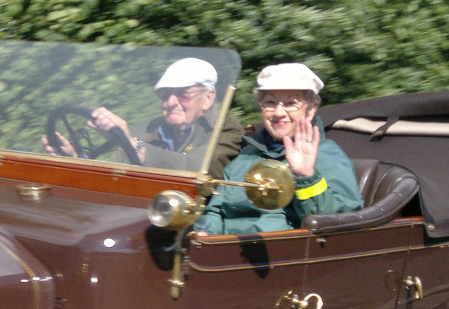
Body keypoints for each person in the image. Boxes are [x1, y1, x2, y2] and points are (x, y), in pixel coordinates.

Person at [195, 63, 363, 235]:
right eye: (270, 102)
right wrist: (205, 233)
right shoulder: (247, 155)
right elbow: (216, 210)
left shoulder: (326, 154)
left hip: (282, 254)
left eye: (291, 103)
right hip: (223, 253)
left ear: (311, 109)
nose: (278, 112)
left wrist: (306, 177)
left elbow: (339, 221)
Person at [42, 57, 243, 177]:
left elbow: (196, 169)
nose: (171, 102)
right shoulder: (148, 128)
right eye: (165, 95)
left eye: (183, 93)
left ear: (208, 98)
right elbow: (113, 172)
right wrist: (74, 159)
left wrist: (133, 145)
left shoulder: (225, 128)